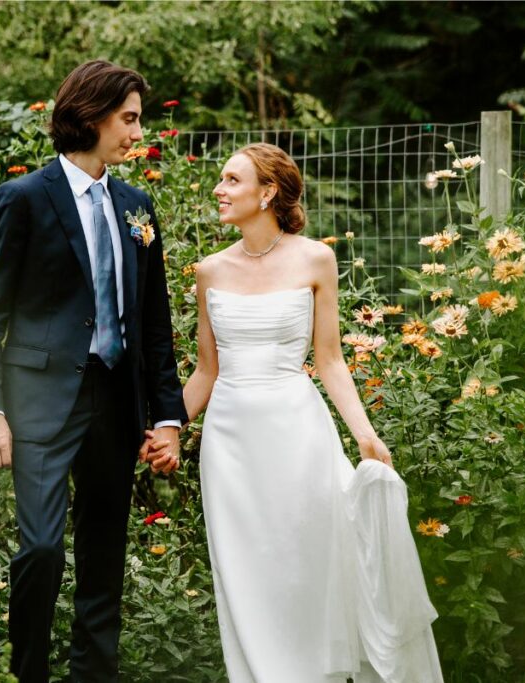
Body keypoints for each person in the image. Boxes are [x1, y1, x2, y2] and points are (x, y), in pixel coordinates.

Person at [140, 143, 443, 682]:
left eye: (232, 180)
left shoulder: (315, 259)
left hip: (299, 435)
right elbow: (207, 371)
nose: (219, 190)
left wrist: (366, 437)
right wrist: (169, 430)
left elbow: (329, 359)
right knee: (246, 581)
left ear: (268, 192)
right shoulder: (209, 271)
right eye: (221, 180)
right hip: (230, 448)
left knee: (308, 571)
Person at [0, 60, 187, 683]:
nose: (138, 134)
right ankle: (27, 672)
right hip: (37, 402)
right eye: (130, 118)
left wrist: (166, 415)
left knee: (103, 552)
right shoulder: (24, 199)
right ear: (90, 116)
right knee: (41, 548)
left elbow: (153, 324)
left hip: (116, 401)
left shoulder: (137, 206)